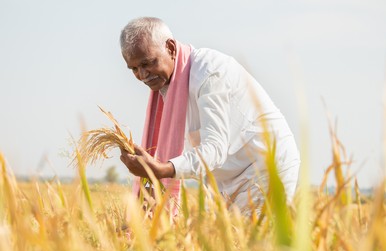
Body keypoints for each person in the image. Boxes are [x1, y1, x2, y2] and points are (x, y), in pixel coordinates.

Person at [119, 16, 300, 215]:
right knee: (221, 243)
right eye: (134, 69)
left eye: (148, 63)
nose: (142, 75)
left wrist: (162, 169)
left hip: (265, 167)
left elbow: (215, 148)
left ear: (170, 48)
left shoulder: (209, 72)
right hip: (224, 178)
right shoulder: (165, 88)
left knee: (255, 242)